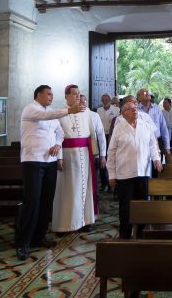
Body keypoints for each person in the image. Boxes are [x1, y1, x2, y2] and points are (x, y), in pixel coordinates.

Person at [16, 84, 85, 261]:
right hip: (32, 160)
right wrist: (69, 111)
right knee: (31, 201)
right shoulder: (31, 109)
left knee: (47, 200)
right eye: (48, 94)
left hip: (50, 162)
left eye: (52, 95)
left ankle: (39, 237)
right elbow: (47, 116)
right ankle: (23, 242)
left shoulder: (52, 112)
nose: (51, 97)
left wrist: (57, 143)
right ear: (38, 94)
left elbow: (59, 132)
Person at [51, 85, 105, 234]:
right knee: (69, 189)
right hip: (68, 155)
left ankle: (86, 221)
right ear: (66, 96)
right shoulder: (59, 112)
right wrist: (59, 158)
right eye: (74, 94)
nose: (77, 96)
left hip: (85, 155)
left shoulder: (86, 112)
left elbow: (92, 135)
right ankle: (66, 224)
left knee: (85, 187)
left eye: (78, 94)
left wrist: (96, 154)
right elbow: (57, 136)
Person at [107, 100, 162, 239]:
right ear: (124, 113)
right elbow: (111, 152)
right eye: (131, 109)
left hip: (143, 172)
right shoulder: (119, 128)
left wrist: (156, 159)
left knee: (142, 204)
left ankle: (142, 233)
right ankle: (125, 234)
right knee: (125, 206)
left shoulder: (146, 125)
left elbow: (153, 145)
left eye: (136, 108)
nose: (135, 110)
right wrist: (111, 175)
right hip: (124, 174)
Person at [79, 93, 108, 198]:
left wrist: (103, 155)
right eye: (80, 101)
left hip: (93, 151)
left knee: (92, 177)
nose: (83, 102)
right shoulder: (73, 115)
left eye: (84, 100)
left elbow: (101, 136)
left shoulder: (94, 115)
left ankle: (92, 199)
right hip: (78, 152)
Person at [136, 87, 170, 166]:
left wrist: (167, 146)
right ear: (138, 97)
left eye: (148, 92)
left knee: (157, 168)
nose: (147, 93)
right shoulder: (136, 110)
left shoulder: (157, 108)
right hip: (142, 143)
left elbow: (163, 128)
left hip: (157, 142)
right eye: (144, 93)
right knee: (144, 167)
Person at [96, 93, 119, 191]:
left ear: (110, 100)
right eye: (103, 100)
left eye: (106, 99)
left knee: (111, 158)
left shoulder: (116, 110)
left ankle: (111, 182)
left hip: (112, 136)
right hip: (101, 136)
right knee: (102, 158)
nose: (104, 101)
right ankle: (104, 182)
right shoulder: (98, 110)